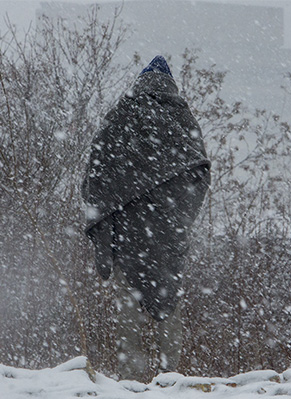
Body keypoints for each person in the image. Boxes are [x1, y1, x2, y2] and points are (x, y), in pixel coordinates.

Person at [82, 55, 210, 382]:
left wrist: (118, 207)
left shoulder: (121, 116)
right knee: (168, 306)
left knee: (128, 306)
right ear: (172, 85)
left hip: (128, 232)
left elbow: (96, 175)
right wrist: (178, 217)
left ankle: (129, 381)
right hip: (168, 233)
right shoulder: (183, 120)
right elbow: (198, 176)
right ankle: (172, 379)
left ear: (139, 82)